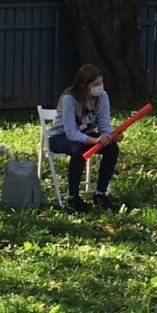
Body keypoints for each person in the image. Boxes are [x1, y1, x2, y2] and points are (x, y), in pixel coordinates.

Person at [50, 65, 119, 212]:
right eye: (95, 84)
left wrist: (113, 135)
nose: (99, 87)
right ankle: (73, 197)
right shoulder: (69, 99)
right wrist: (94, 140)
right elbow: (70, 132)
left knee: (112, 148)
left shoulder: (103, 97)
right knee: (79, 150)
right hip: (60, 138)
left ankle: (100, 194)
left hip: (85, 135)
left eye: (101, 83)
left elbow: (104, 125)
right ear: (83, 85)